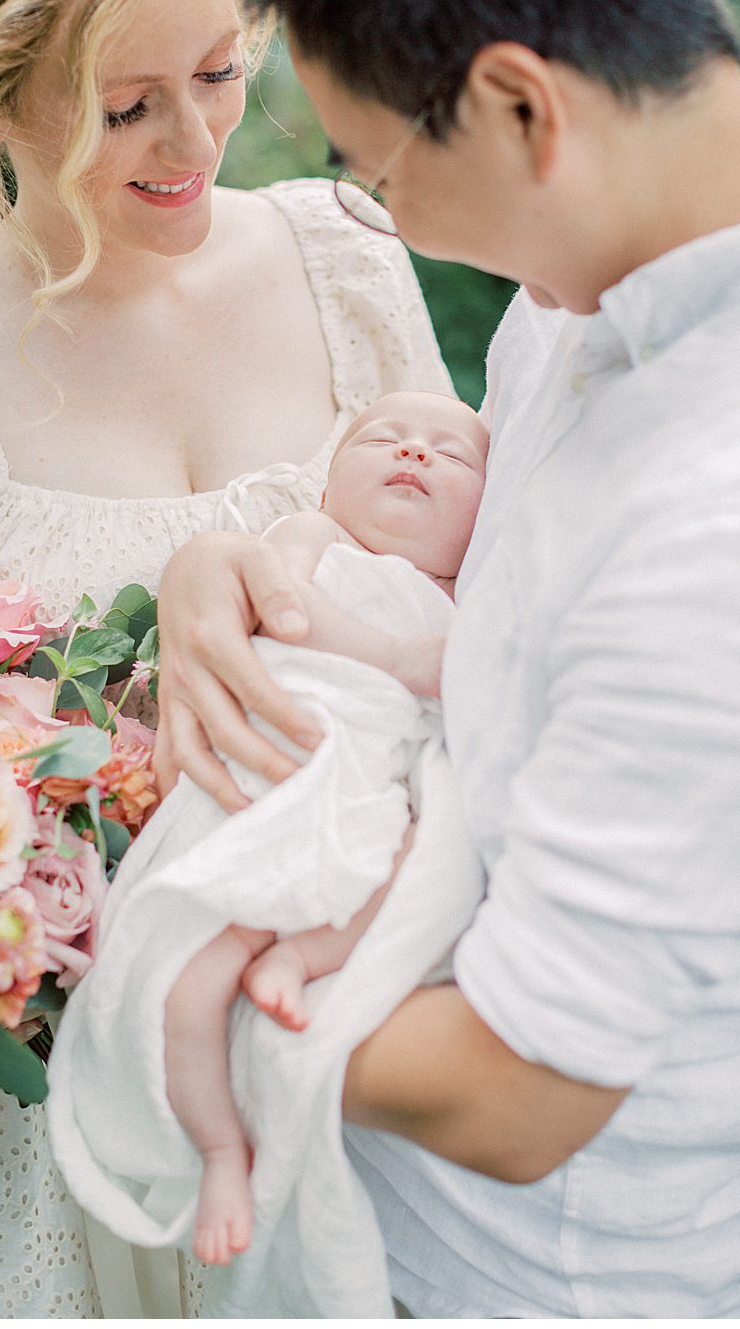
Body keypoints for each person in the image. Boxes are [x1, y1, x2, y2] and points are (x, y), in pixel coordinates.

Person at [154, 0, 740, 1320]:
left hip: (554, 1281)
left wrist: (119, 956)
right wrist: (232, 563)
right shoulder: (600, 282)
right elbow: (500, 596)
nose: (383, 222)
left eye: (379, 174)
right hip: (375, 1231)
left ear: (526, 107)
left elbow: (519, 1093)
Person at [0, 0, 453, 1319]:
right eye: (127, 107)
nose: (193, 139)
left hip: (328, 1015)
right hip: (26, 1102)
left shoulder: (344, 260)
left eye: (219, 69)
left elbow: (476, 589)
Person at [155, 391, 487, 1268]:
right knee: (188, 998)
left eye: (452, 456)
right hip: (271, 787)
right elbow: (279, 613)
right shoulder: (312, 537)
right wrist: (393, 657)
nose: (415, 453)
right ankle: (223, 1151)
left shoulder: (468, 601)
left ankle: (300, 957)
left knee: (420, 865)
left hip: (370, 809)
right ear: (331, 481)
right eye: (384, 438)